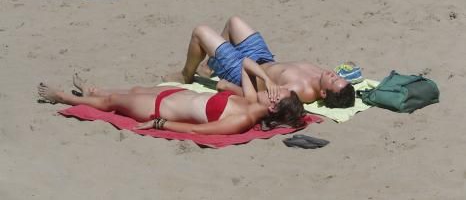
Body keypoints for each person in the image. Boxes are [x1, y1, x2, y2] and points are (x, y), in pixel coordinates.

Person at [37, 59, 305, 136]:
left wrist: (158, 125)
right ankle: (91, 91)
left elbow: (198, 130)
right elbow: (247, 63)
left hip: (160, 108)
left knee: (112, 104)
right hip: (174, 94)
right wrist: (268, 80)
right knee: (131, 91)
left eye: (279, 91)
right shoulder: (249, 100)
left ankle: (60, 96)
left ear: (272, 105)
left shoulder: (243, 118)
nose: (276, 87)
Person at [181, 15, 355, 107]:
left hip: (243, 73)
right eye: (338, 77)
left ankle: (186, 75)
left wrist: (229, 87)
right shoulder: (322, 76)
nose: (334, 75)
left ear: (323, 93)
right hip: (263, 57)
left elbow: (258, 98)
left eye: (334, 80)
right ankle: (210, 66)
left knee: (200, 31)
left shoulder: (301, 91)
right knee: (234, 22)